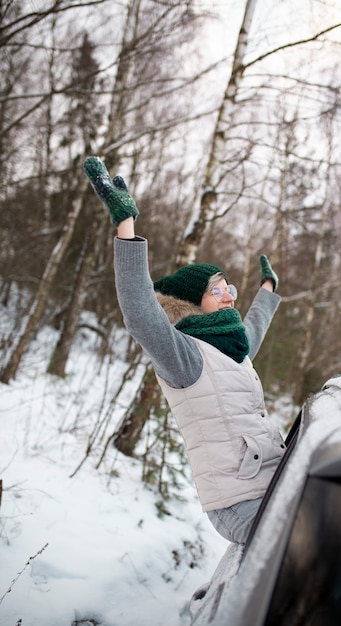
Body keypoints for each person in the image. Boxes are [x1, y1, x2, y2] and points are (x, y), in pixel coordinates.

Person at [83, 156, 286, 544]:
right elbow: (141, 313)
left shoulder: (233, 349)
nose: (228, 295)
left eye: (229, 288)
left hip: (270, 485)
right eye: (217, 290)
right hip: (239, 503)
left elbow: (253, 328)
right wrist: (126, 227)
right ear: (195, 303)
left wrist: (267, 290)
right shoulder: (186, 357)